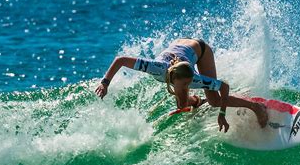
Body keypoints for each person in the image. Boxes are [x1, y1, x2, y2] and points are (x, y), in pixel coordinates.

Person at [95, 38, 268, 132]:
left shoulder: (193, 78)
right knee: (182, 103)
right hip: (180, 46)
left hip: (200, 50)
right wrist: (105, 83)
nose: (188, 86)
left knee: (215, 101)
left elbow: (224, 87)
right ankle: (197, 102)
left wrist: (222, 113)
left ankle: (256, 106)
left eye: (189, 84)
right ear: (172, 78)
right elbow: (121, 60)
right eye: (184, 85)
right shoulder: (156, 69)